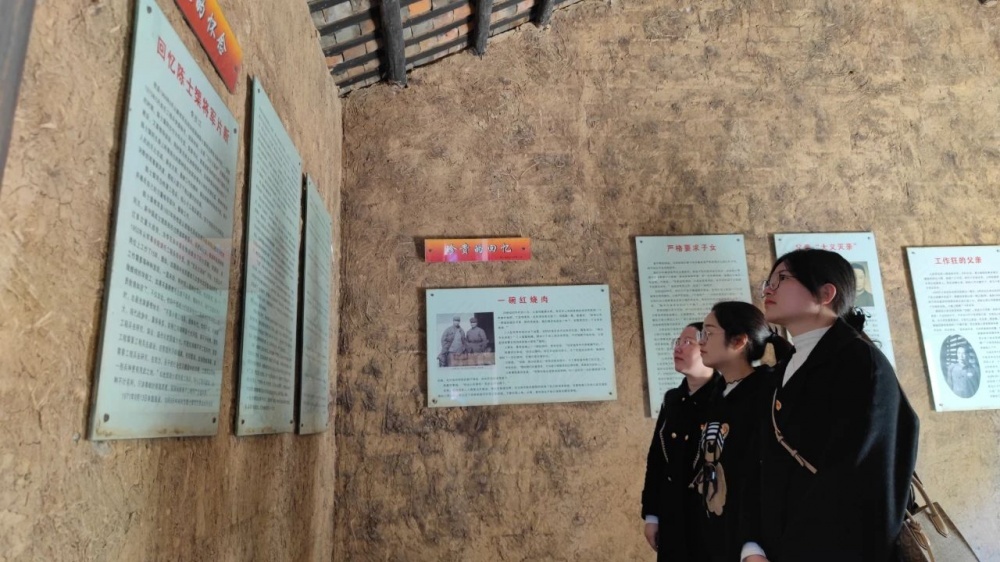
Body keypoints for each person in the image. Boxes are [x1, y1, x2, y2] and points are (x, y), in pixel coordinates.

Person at [743, 249, 919, 562]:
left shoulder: (861, 363)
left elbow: (857, 475)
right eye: (767, 282)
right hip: (779, 546)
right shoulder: (784, 367)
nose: (768, 290)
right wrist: (753, 545)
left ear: (826, 293)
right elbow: (764, 463)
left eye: (781, 278)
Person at [692, 302, 789, 562]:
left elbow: (761, 475)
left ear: (738, 341)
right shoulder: (716, 394)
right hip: (718, 532)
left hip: (754, 544)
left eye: (709, 333)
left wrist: (752, 545)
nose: (701, 341)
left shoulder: (766, 393)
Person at [641, 323, 723, 562]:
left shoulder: (723, 399)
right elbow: (656, 460)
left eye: (688, 342)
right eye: (677, 342)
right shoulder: (672, 400)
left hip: (709, 520)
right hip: (673, 517)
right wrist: (652, 515)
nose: (678, 348)